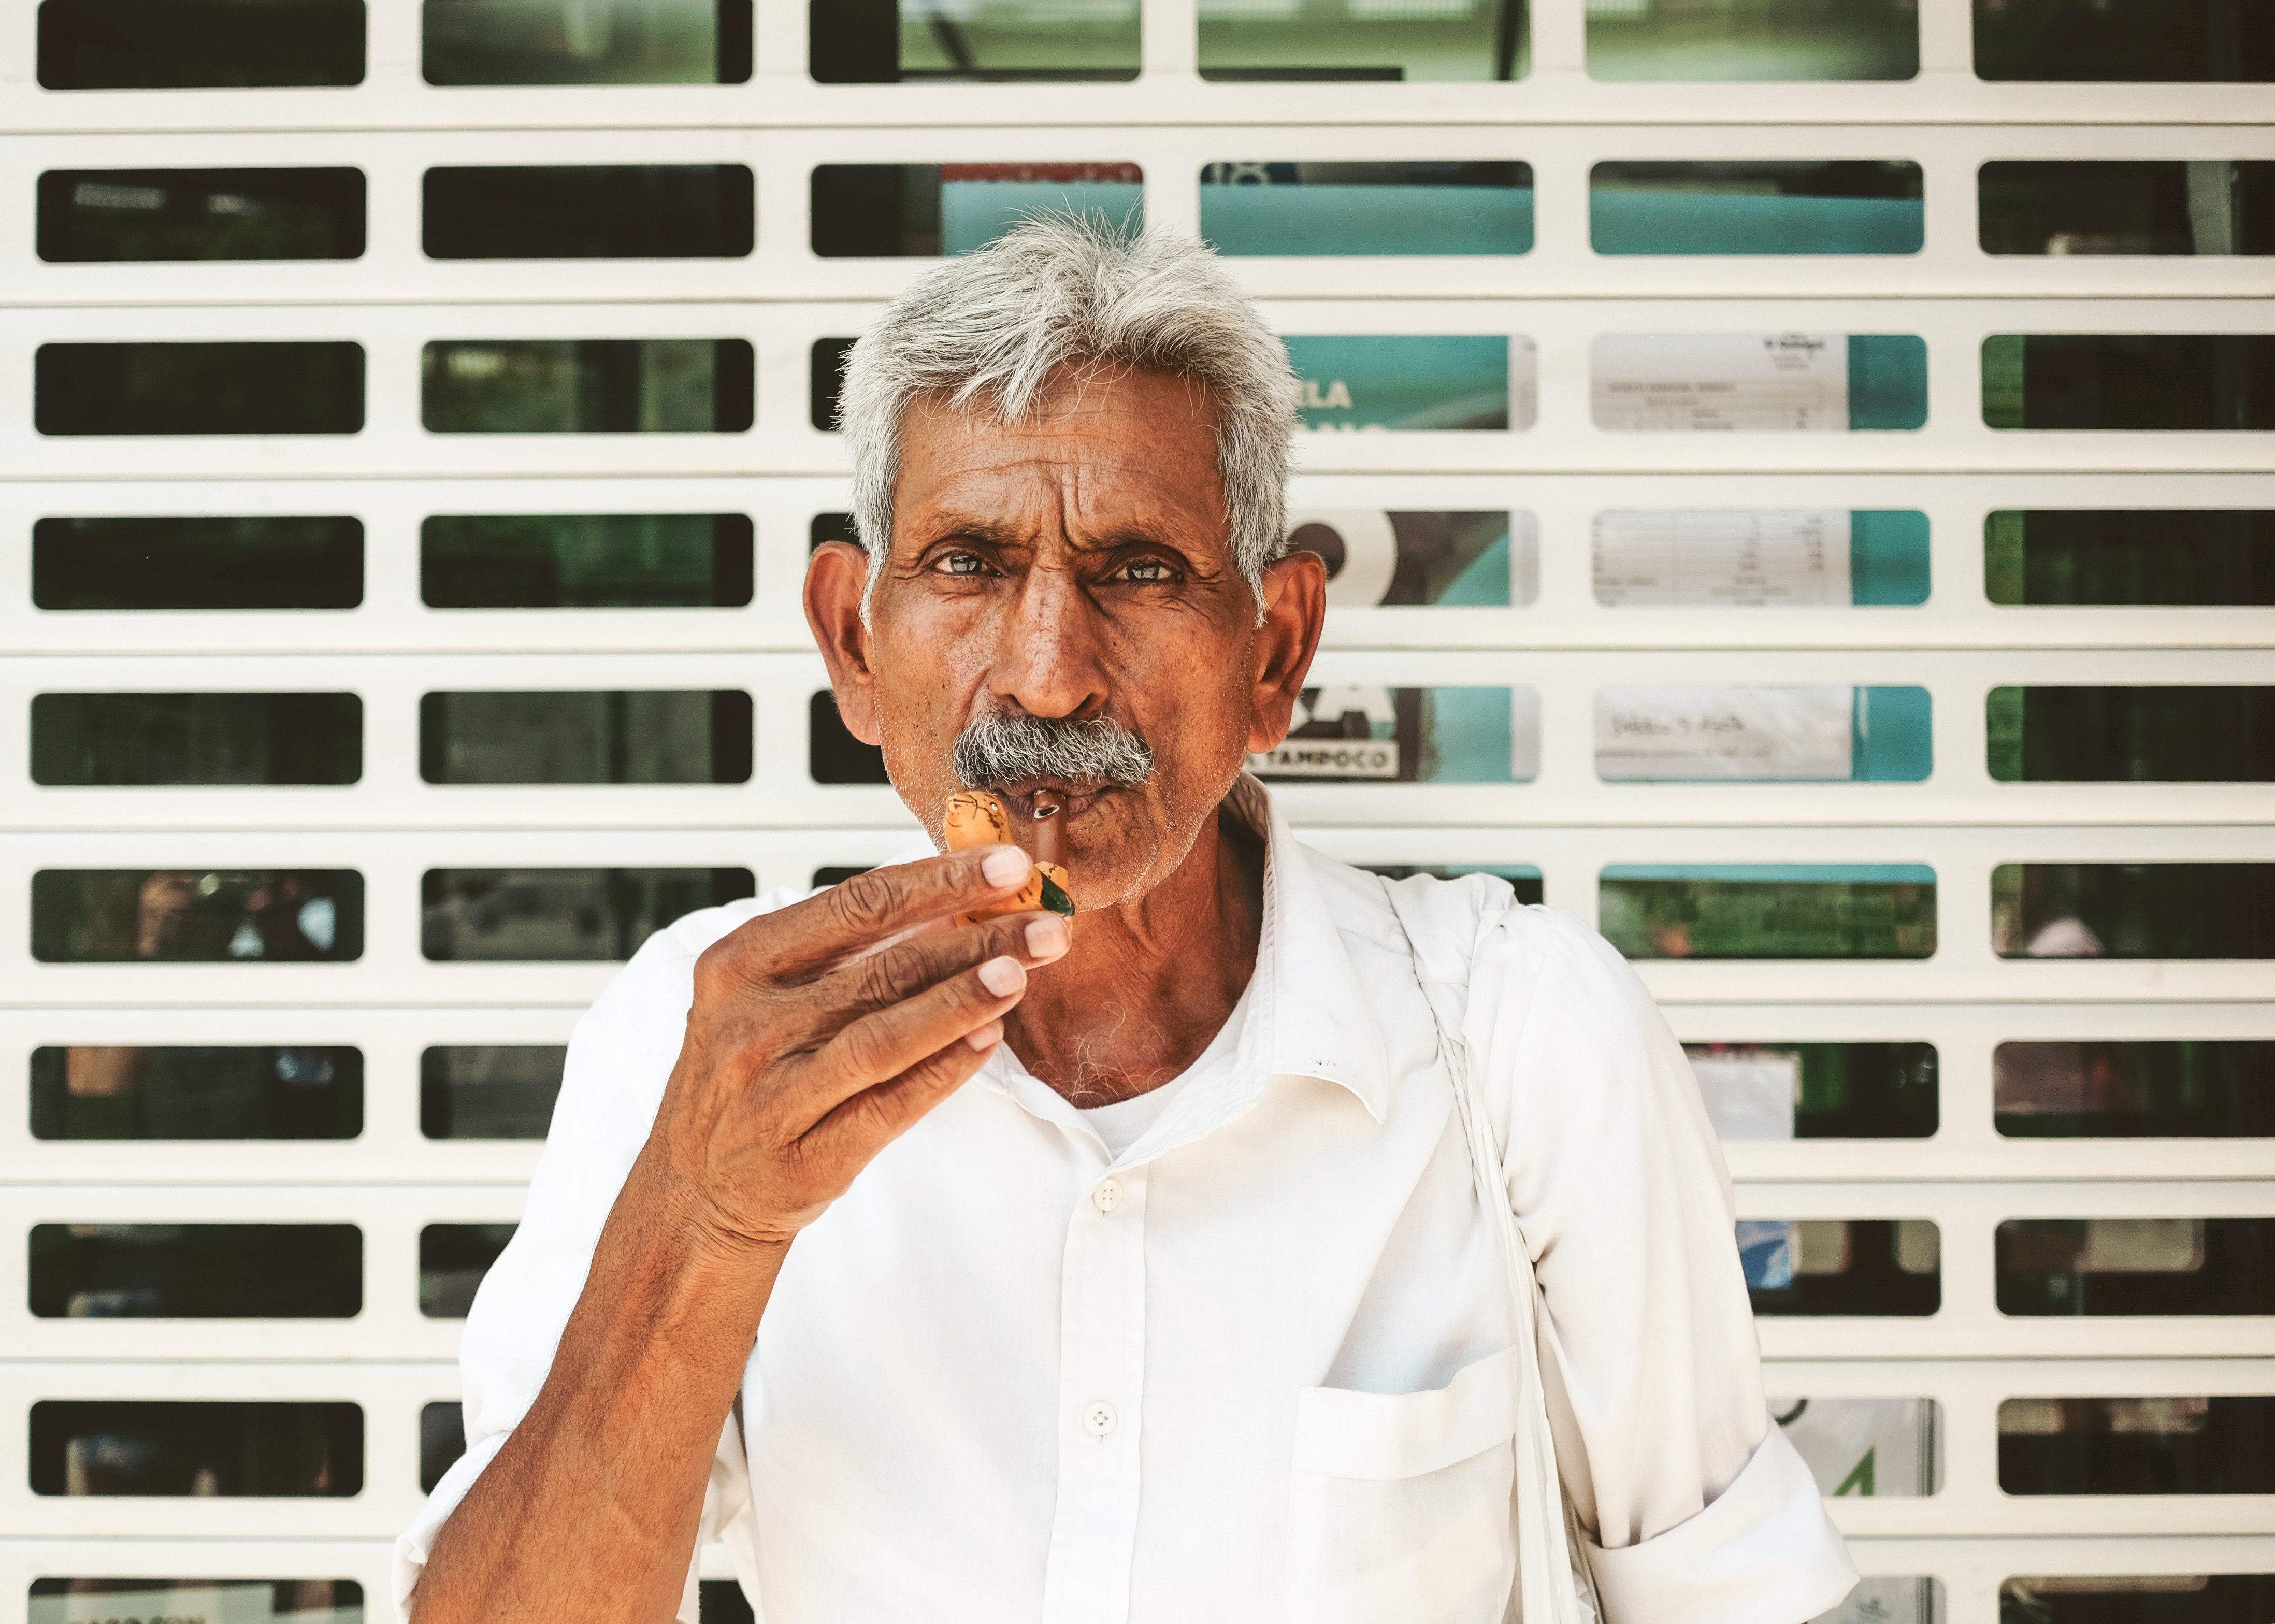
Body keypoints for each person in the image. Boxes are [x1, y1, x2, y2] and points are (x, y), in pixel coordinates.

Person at [397, 218, 1856, 1624]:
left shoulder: (1525, 1045)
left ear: (1275, 650)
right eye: (967, 564)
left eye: (1138, 572)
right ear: (853, 642)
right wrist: (706, 1223)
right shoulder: (699, 1034)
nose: (1044, 676)